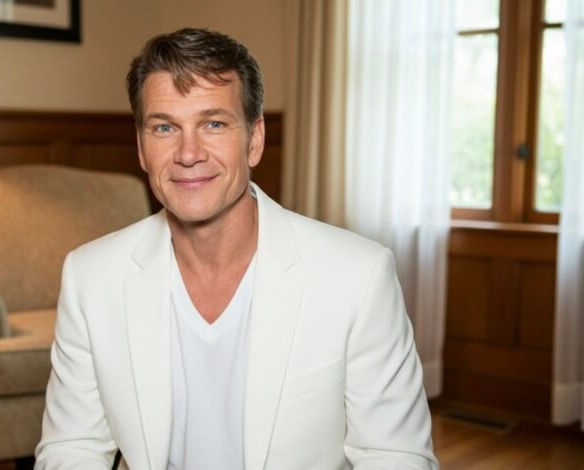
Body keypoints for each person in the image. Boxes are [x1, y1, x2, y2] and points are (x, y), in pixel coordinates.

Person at [35, 28, 438, 470]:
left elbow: (394, 457)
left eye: (214, 123)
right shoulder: (90, 277)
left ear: (255, 139)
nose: (188, 153)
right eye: (165, 127)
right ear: (141, 148)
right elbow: (71, 447)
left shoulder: (359, 276)